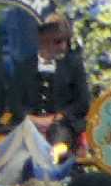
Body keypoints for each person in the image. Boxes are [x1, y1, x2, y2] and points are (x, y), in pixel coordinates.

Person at [23, 14, 91, 146]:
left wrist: (59, 116)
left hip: (62, 125)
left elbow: (82, 102)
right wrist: (32, 119)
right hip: (30, 124)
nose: (63, 47)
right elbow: (15, 103)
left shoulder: (73, 65)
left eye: (65, 41)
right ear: (44, 41)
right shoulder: (25, 66)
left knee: (58, 140)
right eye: (58, 41)